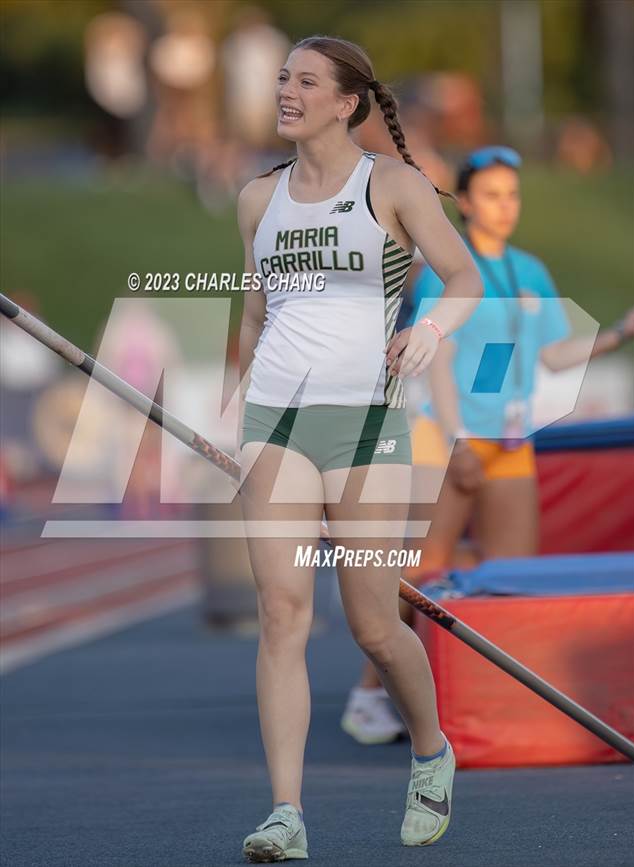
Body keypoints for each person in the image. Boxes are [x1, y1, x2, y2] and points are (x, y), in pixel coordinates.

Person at [235, 36, 482, 861]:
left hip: (367, 426)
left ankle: (429, 749)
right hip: (277, 421)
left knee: (374, 625)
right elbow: (253, 317)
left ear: (347, 102)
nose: (286, 92)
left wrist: (428, 332)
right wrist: (232, 409)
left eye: (305, 81)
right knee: (281, 612)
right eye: (281, 78)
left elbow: (465, 277)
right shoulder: (255, 200)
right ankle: (284, 812)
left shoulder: (394, 186)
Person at [341, 145, 634, 746]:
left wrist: (619, 334)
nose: (507, 206)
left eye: (514, 194)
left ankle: (498, 699)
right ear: (468, 202)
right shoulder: (451, 268)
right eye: (494, 195)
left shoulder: (529, 270)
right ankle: (369, 694)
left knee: (512, 575)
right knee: (421, 572)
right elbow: (437, 358)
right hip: (447, 438)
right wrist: (458, 441)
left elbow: (553, 354)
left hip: (509, 441)